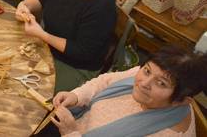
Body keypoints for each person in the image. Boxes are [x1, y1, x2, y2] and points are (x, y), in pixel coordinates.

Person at [48, 45, 207, 136]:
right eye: (146, 71)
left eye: (161, 83)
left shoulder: (165, 134)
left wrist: (71, 132)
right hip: (74, 122)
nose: (143, 83)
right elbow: (104, 81)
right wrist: (76, 96)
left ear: (182, 100)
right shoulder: (144, 75)